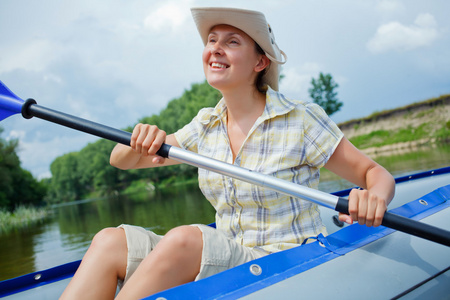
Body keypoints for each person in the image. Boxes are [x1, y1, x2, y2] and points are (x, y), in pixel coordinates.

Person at [60, 7, 395, 300]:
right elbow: (122, 162)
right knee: (109, 241)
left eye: (232, 42)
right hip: (230, 257)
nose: (215, 49)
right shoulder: (206, 124)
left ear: (260, 61)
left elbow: (375, 174)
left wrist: (374, 199)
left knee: (185, 240)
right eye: (211, 40)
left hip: (288, 262)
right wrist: (139, 138)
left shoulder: (300, 119)